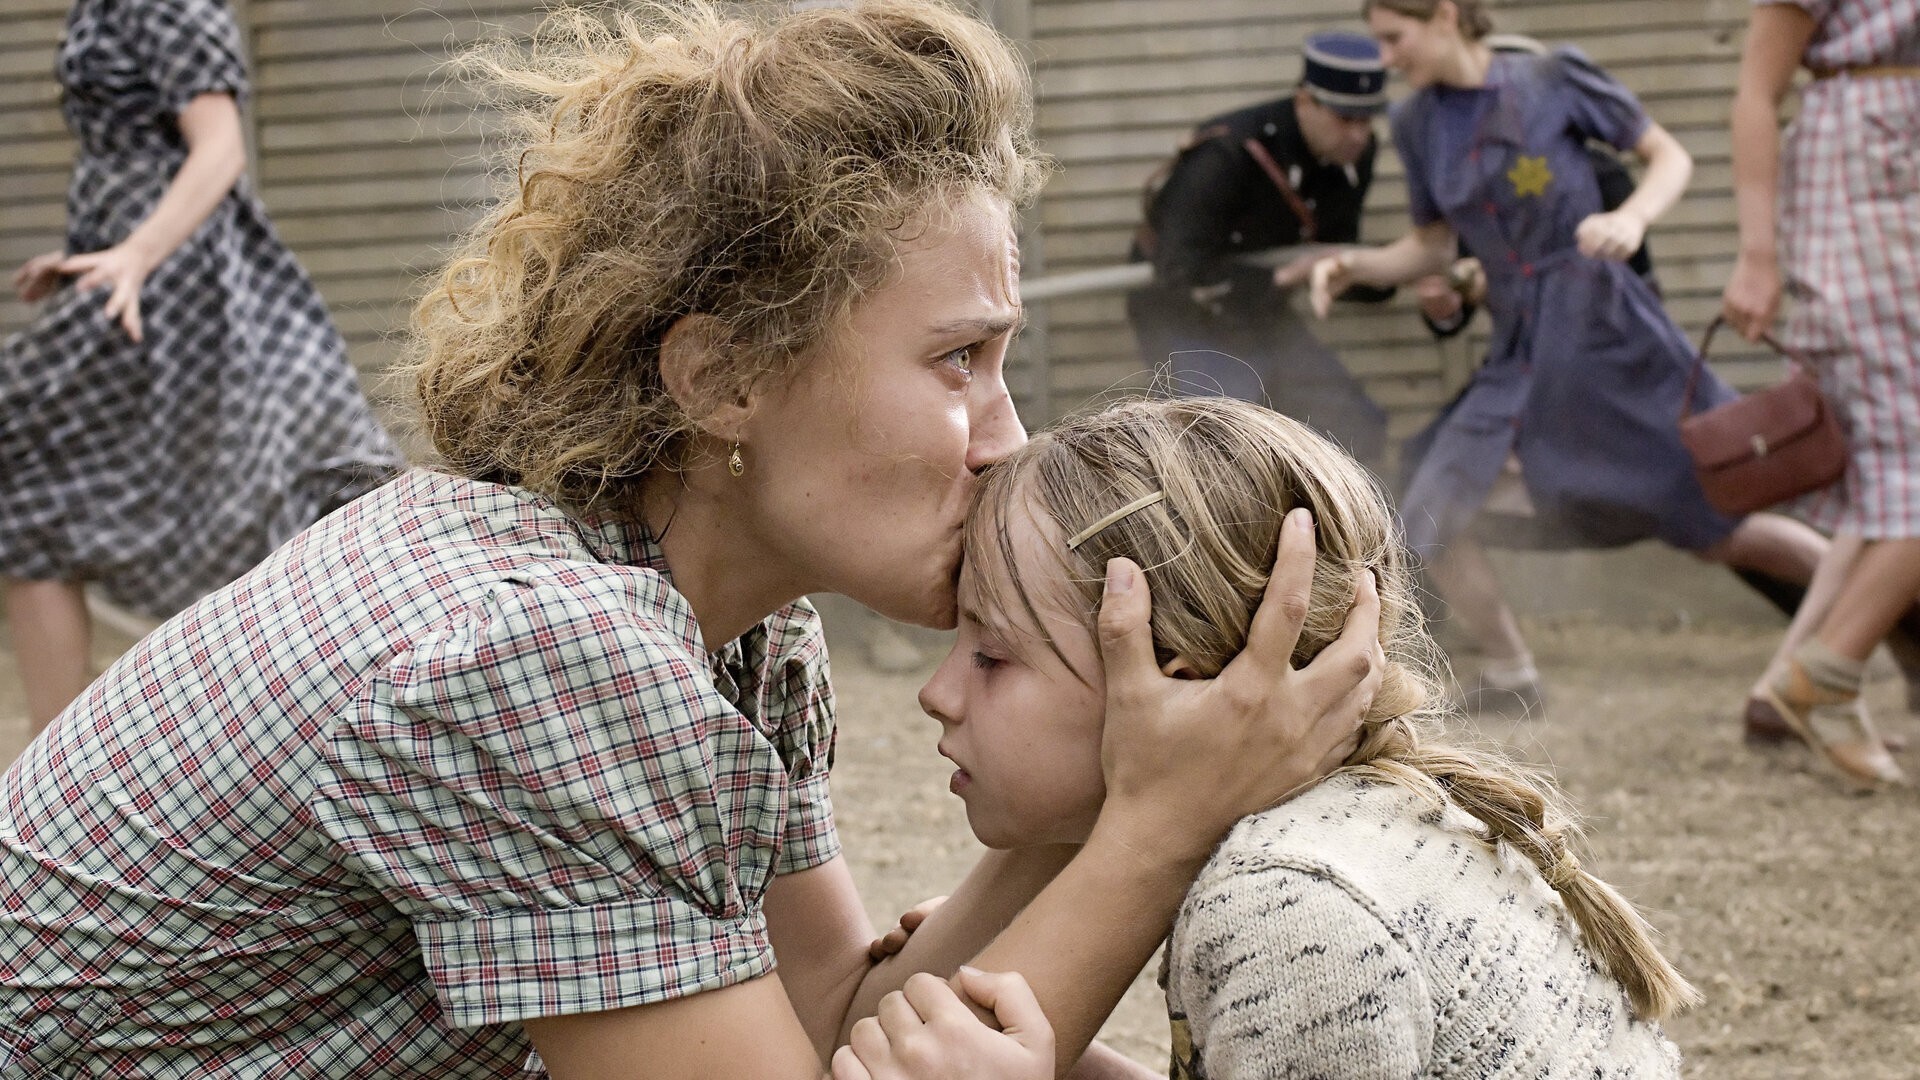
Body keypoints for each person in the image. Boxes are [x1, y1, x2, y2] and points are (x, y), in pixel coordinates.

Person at [0, 4, 1383, 1077]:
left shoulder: (733, 631)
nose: (1006, 437)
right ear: (722, 380)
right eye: (957, 360)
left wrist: (1109, 775)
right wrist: (1157, 832)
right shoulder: (544, 652)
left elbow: (827, 1019)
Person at [842, 395, 1691, 1079]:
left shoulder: (1289, 910)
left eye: (992, 656)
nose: (935, 694)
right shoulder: (1345, 837)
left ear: (1176, 688)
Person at [1303, 0, 1831, 719]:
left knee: (1712, 519)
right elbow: (1432, 245)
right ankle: (1512, 672)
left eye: (1396, 39)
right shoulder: (1416, 122)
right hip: (1519, 348)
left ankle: (1876, 603)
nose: (1387, 58)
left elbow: (1669, 156)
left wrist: (1630, 217)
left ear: (1446, 16)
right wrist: (1354, 266)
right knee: (1431, 506)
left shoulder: (1553, 79)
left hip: (1607, 334)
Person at [1, 0, 400, 732]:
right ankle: (63, 755)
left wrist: (136, 253)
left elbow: (219, 150)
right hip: (138, 273)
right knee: (36, 493)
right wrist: (97, 253)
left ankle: (71, 757)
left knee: (44, 480)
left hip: (184, 288)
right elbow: (135, 158)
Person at [1716, 0, 1918, 788]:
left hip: (1897, 188)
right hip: (1864, 202)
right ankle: (1825, 674)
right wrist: (1757, 256)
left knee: (1894, 472)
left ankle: (1816, 676)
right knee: (1906, 465)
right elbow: (1756, 90)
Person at [1125, 31, 1394, 468]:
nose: (1358, 135)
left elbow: (1336, 245)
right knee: (1220, 449)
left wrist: (1386, 273)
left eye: (1367, 121)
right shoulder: (1228, 153)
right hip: (1185, 310)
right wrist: (1287, 276)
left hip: (1261, 307)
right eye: (1345, 118)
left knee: (1353, 426)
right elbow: (1178, 268)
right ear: (1305, 101)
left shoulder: (1354, 155)